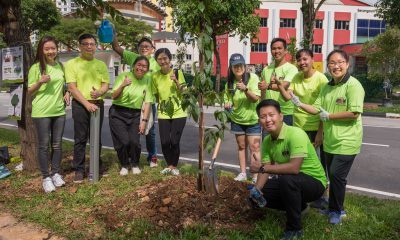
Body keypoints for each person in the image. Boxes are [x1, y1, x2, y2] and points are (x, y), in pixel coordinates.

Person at [291, 49, 365, 224]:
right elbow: (317, 109)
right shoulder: (327, 87)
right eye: (332, 63)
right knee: (332, 176)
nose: (336, 66)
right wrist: (299, 103)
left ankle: (337, 211)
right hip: (330, 140)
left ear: (347, 64)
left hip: (348, 140)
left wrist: (330, 116)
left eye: (340, 62)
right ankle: (334, 207)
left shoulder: (353, 85)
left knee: (336, 175)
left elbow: (354, 112)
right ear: (327, 65)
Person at [250, 99, 327, 240]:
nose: (267, 120)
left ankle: (294, 229)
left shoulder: (295, 134)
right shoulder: (267, 141)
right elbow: (266, 170)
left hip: (315, 183)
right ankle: (300, 207)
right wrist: (256, 190)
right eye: (263, 117)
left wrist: (261, 167)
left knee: (287, 180)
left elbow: (294, 168)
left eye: (271, 115)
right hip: (293, 181)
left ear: (281, 116)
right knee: (260, 192)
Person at [274, 49, 329, 208]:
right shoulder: (297, 77)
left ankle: (322, 195)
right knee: (302, 161)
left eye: (305, 59)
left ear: (312, 59)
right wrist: (280, 85)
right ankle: (305, 192)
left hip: (315, 126)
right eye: (299, 60)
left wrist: (320, 132)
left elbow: (322, 109)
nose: (302, 62)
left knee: (318, 163)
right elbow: (287, 96)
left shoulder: (321, 79)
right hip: (299, 127)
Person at [65, 34, 110, 183]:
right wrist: (86, 104)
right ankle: (78, 169)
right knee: (80, 138)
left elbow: (105, 85)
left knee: (96, 138)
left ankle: (96, 166)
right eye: (86, 44)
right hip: (80, 104)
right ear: (80, 46)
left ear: (95, 46)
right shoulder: (72, 64)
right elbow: (72, 87)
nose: (89, 47)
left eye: (92, 44)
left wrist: (100, 92)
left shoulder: (101, 65)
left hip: (97, 103)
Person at [28, 36, 70, 192]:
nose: (51, 51)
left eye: (53, 48)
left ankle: (56, 174)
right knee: (44, 146)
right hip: (42, 112)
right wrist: (40, 81)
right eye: (47, 49)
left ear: (57, 49)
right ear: (41, 50)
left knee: (57, 145)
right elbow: (30, 91)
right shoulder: (36, 67)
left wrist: (67, 93)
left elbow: (63, 84)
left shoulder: (60, 66)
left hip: (59, 111)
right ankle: (46, 177)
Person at [112, 34, 159, 167]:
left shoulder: (157, 63)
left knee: (150, 130)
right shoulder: (133, 57)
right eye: (141, 46)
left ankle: (152, 156)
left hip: (148, 99)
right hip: (133, 100)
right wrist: (112, 30)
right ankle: (129, 157)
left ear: (152, 49)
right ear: (138, 49)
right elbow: (116, 47)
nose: (144, 48)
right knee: (131, 131)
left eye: (147, 46)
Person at [109, 56, 153, 175]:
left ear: (147, 69)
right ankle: (124, 164)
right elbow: (113, 96)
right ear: (134, 66)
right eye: (139, 65)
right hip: (118, 112)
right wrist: (122, 85)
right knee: (123, 141)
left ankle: (134, 163)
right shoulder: (124, 76)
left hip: (135, 114)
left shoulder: (147, 80)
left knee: (134, 142)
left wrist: (144, 121)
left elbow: (148, 101)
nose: (141, 68)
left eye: (144, 66)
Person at [224, 53, 261, 182]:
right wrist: (227, 104)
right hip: (237, 120)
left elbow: (255, 99)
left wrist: (246, 89)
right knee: (241, 146)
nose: (238, 68)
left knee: (254, 148)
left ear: (244, 66)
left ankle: (255, 175)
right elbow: (227, 100)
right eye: (235, 66)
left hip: (253, 120)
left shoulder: (253, 78)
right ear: (231, 68)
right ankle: (243, 173)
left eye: (240, 65)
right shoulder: (229, 83)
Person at [152, 48, 186, 176]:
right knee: (165, 141)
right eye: (159, 59)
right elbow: (156, 95)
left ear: (169, 59)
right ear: (156, 61)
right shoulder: (155, 76)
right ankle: (169, 165)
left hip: (179, 112)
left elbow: (184, 91)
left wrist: (176, 81)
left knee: (175, 141)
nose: (162, 61)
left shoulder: (177, 72)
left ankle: (174, 166)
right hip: (163, 112)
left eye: (165, 58)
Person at [258, 38, 298, 126]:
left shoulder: (291, 69)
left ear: (285, 51)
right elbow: (263, 91)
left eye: (279, 48)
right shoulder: (266, 69)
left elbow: (285, 85)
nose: (276, 51)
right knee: (267, 140)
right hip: (268, 114)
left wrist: (268, 86)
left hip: (286, 114)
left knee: (286, 139)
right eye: (274, 49)